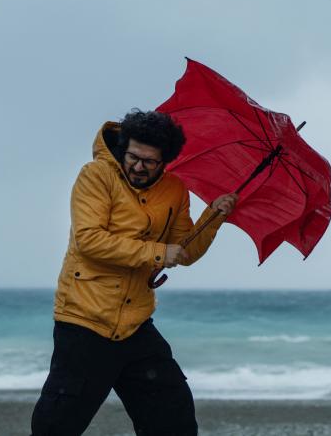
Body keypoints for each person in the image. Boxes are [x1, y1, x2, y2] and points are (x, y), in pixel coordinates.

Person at [31, 109, 237, 436]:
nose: (138, 167)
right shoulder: (96, 176)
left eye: (149, 162)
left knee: (174, 418)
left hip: (135, 325)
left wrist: (213, 217)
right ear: (124, 148)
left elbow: (185, 252)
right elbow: (90, 241)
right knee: (56, 426)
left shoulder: (174, 190)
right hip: (85, 320)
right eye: (133, 157)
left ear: (165, 160)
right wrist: (157, 252)